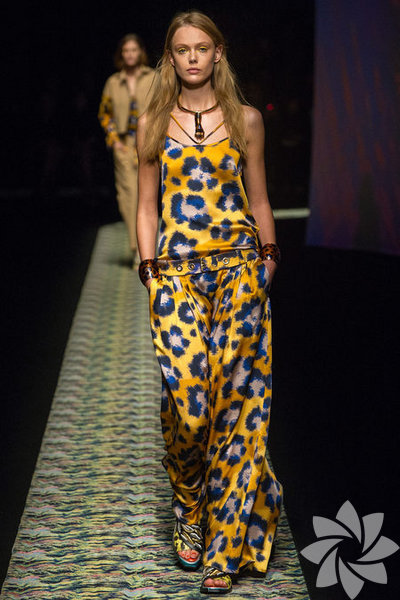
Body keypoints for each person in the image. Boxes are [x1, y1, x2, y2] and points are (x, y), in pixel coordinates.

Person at [136, 11, 282, 594]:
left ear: (218, 53)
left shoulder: (246, 119)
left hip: (240, 271)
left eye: (202, 47)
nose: (192, 57)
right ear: (170, 57)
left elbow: (260, 197)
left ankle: (222, 549)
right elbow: (147, 206)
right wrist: (148, 271)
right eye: (182, 49)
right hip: (175, 274)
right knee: (189, 404)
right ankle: (188, 502)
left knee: (237, 410)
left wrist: (269, 258)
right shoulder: (152, 122)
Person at [98, 34, 154, 266]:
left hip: (150, 142)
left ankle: (155, 246)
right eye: (126, 50)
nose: (130, 54)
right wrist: (114, 141)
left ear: (141, 52)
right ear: (121, 54)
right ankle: (138, 247)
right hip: (125, 144)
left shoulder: (154, 78)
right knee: (129, 197)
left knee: (150, 194)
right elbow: (105, 113)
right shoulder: (113, 82)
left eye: (134, 49)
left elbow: (164, 106)